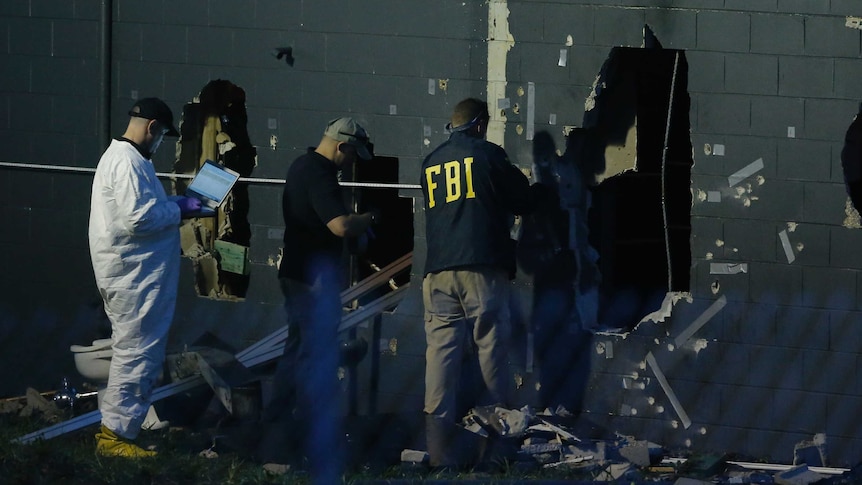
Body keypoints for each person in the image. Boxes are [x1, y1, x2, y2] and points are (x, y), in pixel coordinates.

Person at [420, 98, 546, 468]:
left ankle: (438, 449)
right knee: (490, 347)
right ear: (479, 124)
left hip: (437, 271)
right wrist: (544, 190)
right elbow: (522, 200)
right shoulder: (489, 155)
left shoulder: (431, 161)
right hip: (480, 267)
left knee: (439, 354)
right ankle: (496, 440)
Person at [258, 117, 377, 481]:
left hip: (297, 276)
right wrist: (369, 218)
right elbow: (339, 225)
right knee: (311, 361)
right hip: (311, 282)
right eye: (353, 154)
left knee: (297, 356)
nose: (352, 163)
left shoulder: (300, 166)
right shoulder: (320, 172)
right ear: (341, 146)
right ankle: (299, 443)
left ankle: (277, 439)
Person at [88, 97, 202, 457]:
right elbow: (139, 219)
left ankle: (121, 432)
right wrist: (181, 207)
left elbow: (144, 210)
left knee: (136, 353)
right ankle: (114, 438)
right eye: (162, 135)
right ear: (152, 127)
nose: (159, 143)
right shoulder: (126, 161)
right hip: (132, 278)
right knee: (135, 354)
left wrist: (174, 206)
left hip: (136, 277)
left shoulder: (129, 160)